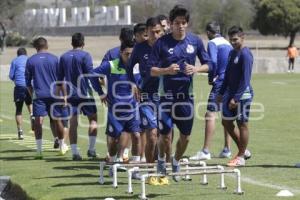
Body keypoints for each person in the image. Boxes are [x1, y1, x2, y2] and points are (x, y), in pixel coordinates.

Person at [150, 5, 212, 181]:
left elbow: (209, 64)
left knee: (185, 137)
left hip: (186, 98)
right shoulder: (162, 43)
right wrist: (166, 70)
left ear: (187, 24)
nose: (181, 26)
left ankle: (176, 160)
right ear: (170, 24)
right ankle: (162, 159)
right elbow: (151, 70)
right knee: (165, 135)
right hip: (166, 97)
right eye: (177, 23)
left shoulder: (195, 42)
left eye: (184, 23)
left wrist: (197, 69)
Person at [92, 41, 141, 176]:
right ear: (121, 53)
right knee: (114, 139)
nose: (130, 57)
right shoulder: (111, 65)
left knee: (136, 136)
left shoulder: (136, 66)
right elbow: (92, 75)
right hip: (115, 111)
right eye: (127, 54)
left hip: (133, 109)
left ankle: (135, 169)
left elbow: (142, 81)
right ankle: (112, 163)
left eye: (132, 54)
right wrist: (101, 93)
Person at [190, 21, 233, 160]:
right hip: (231, 82)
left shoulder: (213, 43)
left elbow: (212, 62)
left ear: (208, 32)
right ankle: (227, 149)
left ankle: (206, 151)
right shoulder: (228, 43)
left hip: (220, 81)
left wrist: (210, 77)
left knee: (210, 114)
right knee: (227, 115)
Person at [217, 26, 253, 167]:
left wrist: (236, 98)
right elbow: (227, 75)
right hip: (229, 94)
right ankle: (244, 150)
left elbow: (245, 79)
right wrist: (221, 92)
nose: (233, 42)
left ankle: (240, 157)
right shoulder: (232, 53)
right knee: (226, 122)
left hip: (242, 96)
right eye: (231, 40)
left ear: (242, 37)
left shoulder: (246, 54)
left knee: (242, 124)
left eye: (235, 39)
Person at [58, 33, 98, 161]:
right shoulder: (86, 55)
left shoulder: (64, 57)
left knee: (73, 123)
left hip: (71, 95)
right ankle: (91, 150)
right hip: (85, 93)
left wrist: (61, 95)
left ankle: (75, 152)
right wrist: (100, 90)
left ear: (72, 43)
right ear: (83, 43)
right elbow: (90, 75)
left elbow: (60, 79)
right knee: (93, 120)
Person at [25, 37, 66, 159]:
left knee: (38, 121)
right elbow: (61, 80)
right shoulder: (54, 59)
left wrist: (32, 94)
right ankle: (62, 146)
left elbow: (27, 82)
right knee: (58, 120)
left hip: (39, 95)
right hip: (54, 94)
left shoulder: (31, 60)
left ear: (36, 47)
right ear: (47, 46)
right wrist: (64, 95)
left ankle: (39, 151)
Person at [100, 28, 135, 162]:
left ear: (120, 38)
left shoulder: (112, 52)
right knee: (129, 127)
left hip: (114, 96)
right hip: (131, 95)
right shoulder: (135, 51)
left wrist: (104, 90)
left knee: (112, 129)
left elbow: (100, 75)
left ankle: (111, 155)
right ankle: (124, 153)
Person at [9, 48, 34, 139]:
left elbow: (11, 76)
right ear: (26, 54)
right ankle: (32, 115)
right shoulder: (30, 60)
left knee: (18, 110)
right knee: (30, 103)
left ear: (17, 54)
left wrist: (17, 80)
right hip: (29, 86)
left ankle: (20, 131)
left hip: (19, 86)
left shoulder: (15, 61)